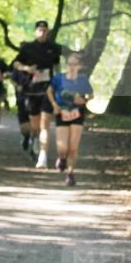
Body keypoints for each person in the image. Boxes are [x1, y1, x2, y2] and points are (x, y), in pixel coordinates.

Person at [13, 20, 63, 169]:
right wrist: (27, 68)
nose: (42, 32)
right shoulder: (28, 47)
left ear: (48, 32)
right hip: (31, 91)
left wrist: (59, 82)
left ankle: (43, 157)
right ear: (35, 31)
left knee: (45, 126)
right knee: (35, 126)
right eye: (39, 30)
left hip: (47, 90)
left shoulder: (54, 48)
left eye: (45, 30)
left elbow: (57, 66)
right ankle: (35, 139)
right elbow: (15, 64)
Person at [47, 52, 93, 186]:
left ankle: (70, 173)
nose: (72, 67)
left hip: (77, 114)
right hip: (62, 113)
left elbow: (91, 94)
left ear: (80, 66)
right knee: (62, 147)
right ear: (66, 65)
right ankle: (61, 158)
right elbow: (49, 91)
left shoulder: (83, 80)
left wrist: (84, 99)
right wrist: (54, 105)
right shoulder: (58, 78)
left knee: (73, 146)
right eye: (70, 64)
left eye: (75, 64)